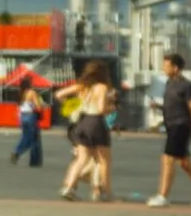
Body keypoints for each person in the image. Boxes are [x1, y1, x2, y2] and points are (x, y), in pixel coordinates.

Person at [148, 52, 191, 207]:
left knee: (167, 159)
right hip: (171, 125)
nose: (163, 68)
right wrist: (158, 107)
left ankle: (163, 196)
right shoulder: (169, 83)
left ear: (175, 68)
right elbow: (173, 105)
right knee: (184, 163)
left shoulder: (186, 85)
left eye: (166, 65)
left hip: (181, 126)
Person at [55, 61, 115, 202]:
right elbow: (101, 109)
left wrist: (73, 106)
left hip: (82, 122)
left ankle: (68, 188)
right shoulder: (102, 87)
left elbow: (59, 94)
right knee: (104, 160)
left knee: (82, 158)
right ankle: (106, 192)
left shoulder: (82, 87)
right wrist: (110, 108)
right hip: (96, 122)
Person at [11, 85, 45, 167]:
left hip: (23, 116)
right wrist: (41, 104)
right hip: (31, 115)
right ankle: (19, 153)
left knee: (26, 136)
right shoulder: (32, 92)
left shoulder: (21, 93)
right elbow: (38, 106)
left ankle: (34, 160)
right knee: (33, 139)